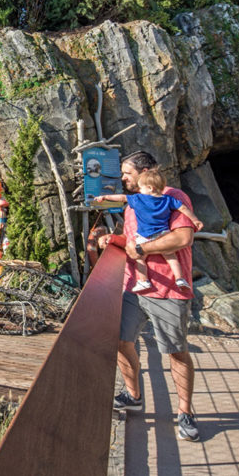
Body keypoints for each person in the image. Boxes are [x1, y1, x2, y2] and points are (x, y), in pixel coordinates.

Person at [98, 150, 201, 442]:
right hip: (134, 286)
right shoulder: (133, 202)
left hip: (168, 289)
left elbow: (183, 237)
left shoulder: (173, 196)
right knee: (121, 340)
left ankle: (185, 413)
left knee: (176, 351)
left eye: (127, 173)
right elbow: (133, 239)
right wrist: (113, 240)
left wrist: (142, 249)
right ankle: (133, 395)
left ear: (145, 172)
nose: (123, 178)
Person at [95, 167, 203, 294]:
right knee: (171, 257)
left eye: (141, 188)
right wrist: (195, 220)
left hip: (145, 236)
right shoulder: (168, 199)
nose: (139, 190)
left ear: (150, 187)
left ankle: (143, 280)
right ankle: (180, 279)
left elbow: (122, 197)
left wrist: (105, 196)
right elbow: (183, 208)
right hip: (163, 233)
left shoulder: (139, 199)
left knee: (139, 258)